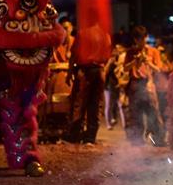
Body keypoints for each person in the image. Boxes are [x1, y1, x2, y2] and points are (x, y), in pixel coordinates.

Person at [66, 15, 111, 145]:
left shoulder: (82, 33)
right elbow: (108, 57)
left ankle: (75, 134)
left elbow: (74, 55)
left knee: (79, 103)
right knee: (95, 105)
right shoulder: (105, 35)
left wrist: (70, 73)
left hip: (85, 72)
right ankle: (90, 137)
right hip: (99, 72)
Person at [118, 26, 164, 145]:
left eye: (143, 39)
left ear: (146, 37)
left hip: (148, 84)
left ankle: (157, 139)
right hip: (135, 85)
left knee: (153, 113)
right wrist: (135, 61)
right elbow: (125, 68)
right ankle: (137, 141)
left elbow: (159, 69)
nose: (141, 42)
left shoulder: (153, 52)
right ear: (135, 39)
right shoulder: (130, 52)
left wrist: (147, 62)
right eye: (138, 39)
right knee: (136, 115)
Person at [103, 40, 126, 130]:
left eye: (120, 48)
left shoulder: (122, 59)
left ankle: (124, 124)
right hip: (109, 85)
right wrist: (110, 63)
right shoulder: (109, 60)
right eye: (116, 48)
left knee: (120, 104)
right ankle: (109, 123)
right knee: (109, 104)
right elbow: (105, 71)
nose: (118, 50)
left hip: (119, 84)